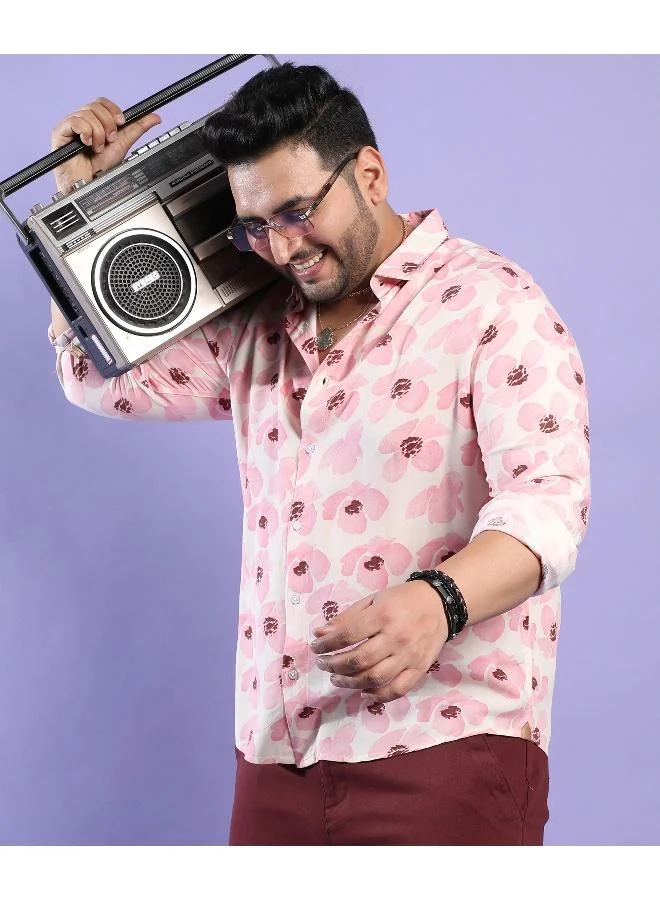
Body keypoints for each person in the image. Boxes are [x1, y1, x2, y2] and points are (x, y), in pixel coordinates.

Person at [48, 61, 590, 846]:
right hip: (276, 757)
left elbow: (548, 510)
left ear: (370, 174)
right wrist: (81, 204)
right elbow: (98, 378)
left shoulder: (494, 303)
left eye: (297, 211)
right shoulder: (259, 327)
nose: (280, 247)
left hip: (445, 744)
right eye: (254, 225)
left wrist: (438, 601)